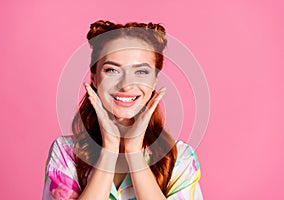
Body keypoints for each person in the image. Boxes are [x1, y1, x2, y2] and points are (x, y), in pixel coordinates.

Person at [42, 20, 203, 200]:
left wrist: (134, 153)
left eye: (141, 72)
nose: (126, 85)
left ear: (154, 81)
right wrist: (109, 151)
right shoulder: (66, 153)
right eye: (112, 70)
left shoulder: (179, 158)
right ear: (94, 78)